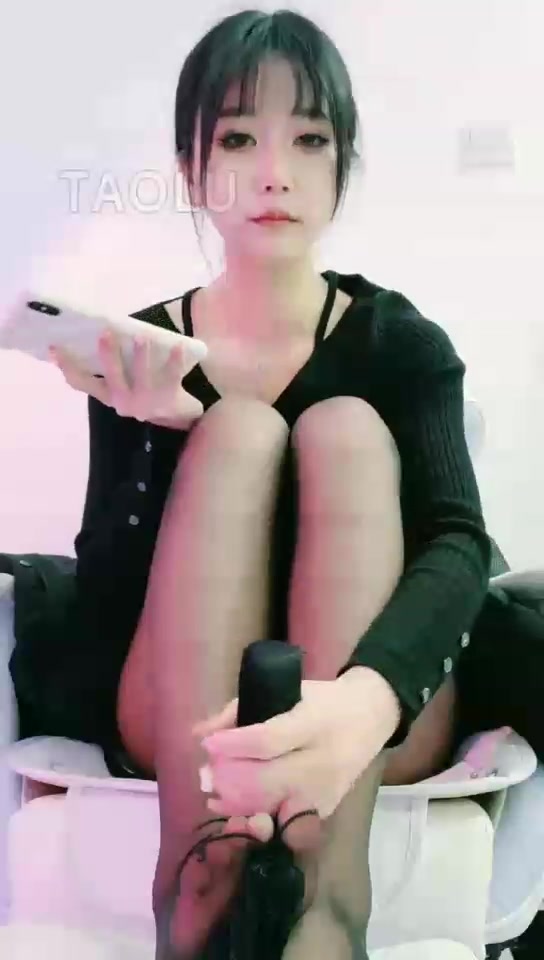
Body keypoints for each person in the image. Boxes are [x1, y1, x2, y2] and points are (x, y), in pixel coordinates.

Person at [5, 7, 504, 959]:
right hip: (184, 699)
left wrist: (367, 700)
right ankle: (196, 888)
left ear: (343, 164)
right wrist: (160, 440)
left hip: (372, 698)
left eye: (309, 140)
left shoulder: (402, 343)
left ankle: (329, 909)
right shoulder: (142, 351)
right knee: (235, 432)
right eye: (238, 139)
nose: (275, 172)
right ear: (192, 169)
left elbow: (458, 543)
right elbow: (110, 599)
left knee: (346, 430)